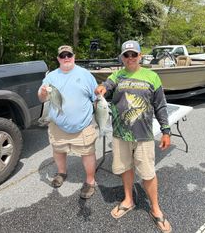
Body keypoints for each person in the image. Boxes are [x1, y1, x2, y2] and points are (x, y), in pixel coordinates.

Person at [95, 40, 172, 232]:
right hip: (121, 134)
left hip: (144, 135)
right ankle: (128, 199)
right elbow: (107, 85)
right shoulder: (117, 75)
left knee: (148, 174)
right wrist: (101, 88)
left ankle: (155, 208)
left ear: (140, 56)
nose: (130, 58)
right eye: (126, 55)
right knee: (125, 168)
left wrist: (166, 131)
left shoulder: (152, 76)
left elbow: (160, 105)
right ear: (122, 57)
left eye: (133, 55)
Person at [38, 45, 98, 199]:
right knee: (58, 150)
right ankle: (61, 173)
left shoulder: (86, 75)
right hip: (57, 125)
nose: (66, 58)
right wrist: (42, 92)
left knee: (88, 153)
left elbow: (96, 98)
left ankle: (90, 180)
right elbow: (42, 98)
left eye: (68, 55)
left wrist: (99, 119)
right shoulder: (51, 76)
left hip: (83, 125)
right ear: (58, 58)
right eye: (62, 56)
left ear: (74, 56)